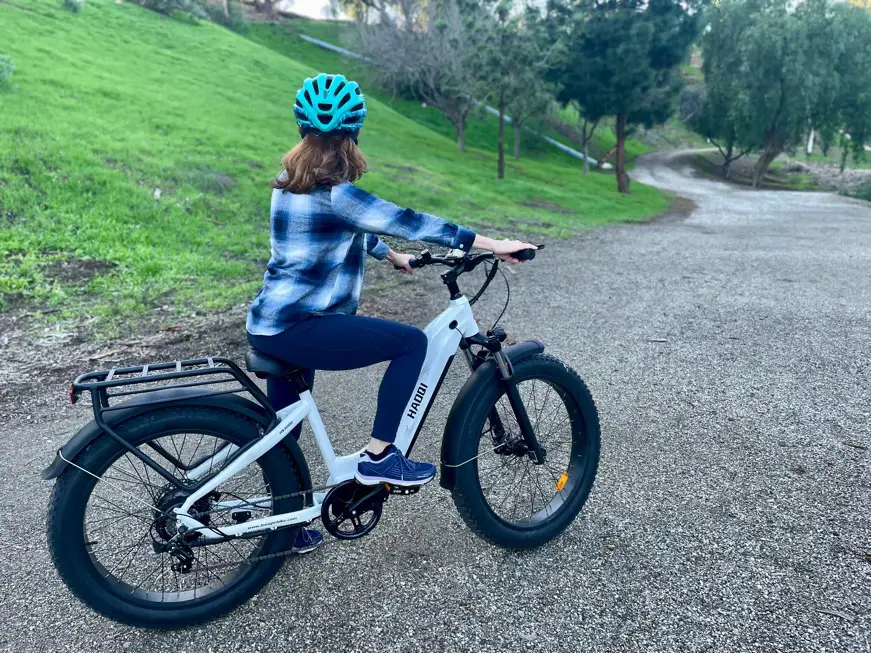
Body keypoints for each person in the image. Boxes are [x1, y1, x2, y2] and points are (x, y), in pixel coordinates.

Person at [246, 73, 536, 553]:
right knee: (410, 343)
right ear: (354, 134)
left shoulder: (288, 186)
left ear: (302, 131)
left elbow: (348, 228)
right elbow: (411, 221)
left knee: (286, 427)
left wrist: (389, 255)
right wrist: (494, 243)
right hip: (303, 326)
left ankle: (287, 524)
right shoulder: (340, 194)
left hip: (271, 324)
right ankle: (380, 456)